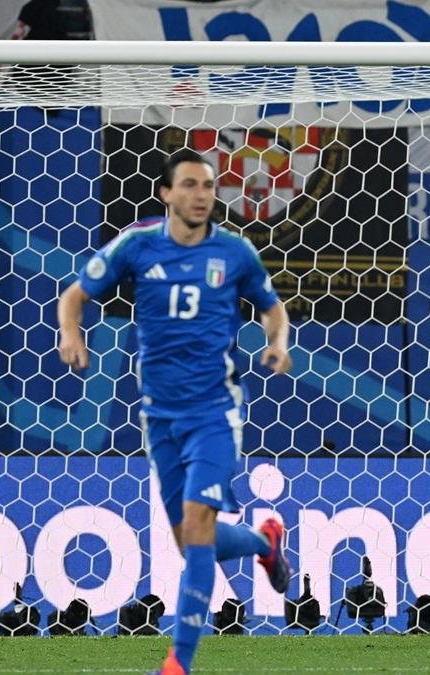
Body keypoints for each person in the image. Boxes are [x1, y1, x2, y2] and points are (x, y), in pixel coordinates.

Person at [56, 149, 293, 675]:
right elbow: (74, 295)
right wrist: (71, 334)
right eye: (188, 184)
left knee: (198, 524)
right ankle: (264, 542)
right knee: (191, 543)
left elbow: (273, 308)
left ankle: (177, 664)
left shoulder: (234, 251)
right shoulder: (138, 245)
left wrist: (277, 342)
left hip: (214, 413)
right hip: (159, 416)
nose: (200, 194)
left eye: (207, 185)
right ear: (166, 193)